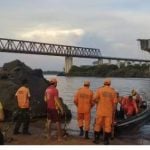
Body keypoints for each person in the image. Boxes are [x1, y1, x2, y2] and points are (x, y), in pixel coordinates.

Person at [93, 79, 117, 145]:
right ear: (110, 84)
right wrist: (114, 111)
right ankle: (106, 141)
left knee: (98, 125)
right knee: (107, 126)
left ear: (104, 83)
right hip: (108, 112)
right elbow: (115, 103)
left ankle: (96, 139)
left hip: (100, 111)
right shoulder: (113, 91)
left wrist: (98, 102)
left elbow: (94, 98)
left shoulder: (99, 90)